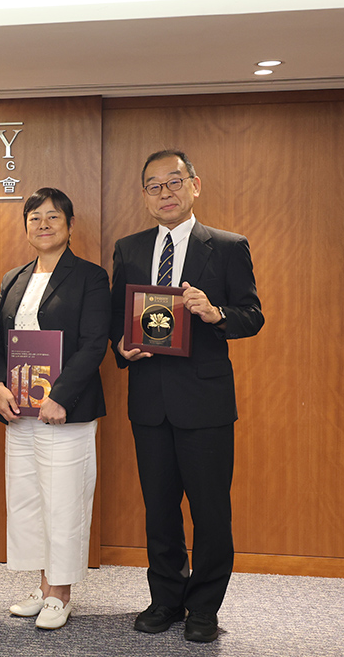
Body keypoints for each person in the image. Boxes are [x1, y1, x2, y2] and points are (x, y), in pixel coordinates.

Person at [110, 150, 264, 642]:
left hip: (205, 401)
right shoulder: (129, 248)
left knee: (210, 511)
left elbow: (252, 315)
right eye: (154, 186)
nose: (165, 193)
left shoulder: (228, 246)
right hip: (149, 401)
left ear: (194, 185)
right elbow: (117, 321)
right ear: (145, 196)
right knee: (159, 508)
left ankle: (204, 607)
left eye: (174, 182)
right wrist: (121, 347)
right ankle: (165, 599)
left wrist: (216, 313)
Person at [0, 188, 111, 630]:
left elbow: (94, 344)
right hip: (19, 412)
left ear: (70, 225)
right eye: (34, 217)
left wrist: (60, 396)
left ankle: (61, 593)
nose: (43, 224)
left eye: (53, 217)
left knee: (64, 500)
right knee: (30, 499)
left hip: (64, 411)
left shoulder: (91, 277)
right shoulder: (13, 278)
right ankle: (42, 586)